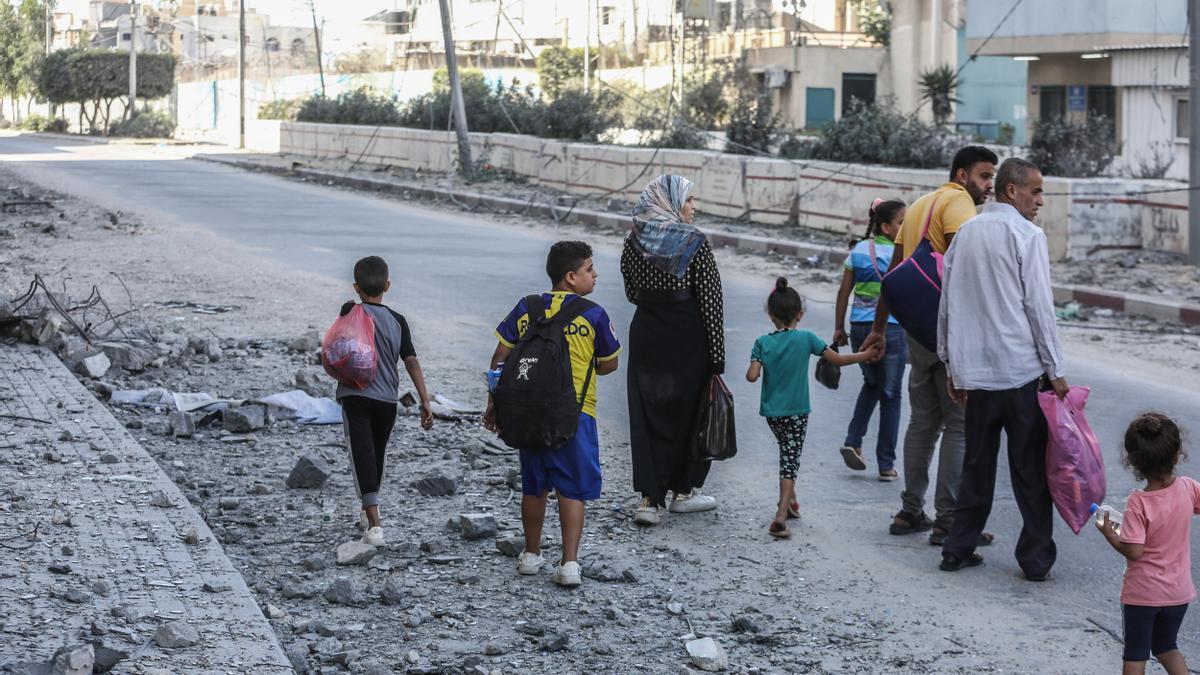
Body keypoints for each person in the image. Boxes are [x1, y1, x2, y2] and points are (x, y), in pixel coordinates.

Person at [936, 157, 1067, 580]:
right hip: (1020, 373)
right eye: (1035, 191)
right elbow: (1039, 307)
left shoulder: (966, 233)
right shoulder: (1027, 235)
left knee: (977, 465)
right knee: (1029, 471)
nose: (1040, 201)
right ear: (1012, 191)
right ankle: (1035, 559)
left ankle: (957, 548)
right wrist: (1055, 369)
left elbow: (947, 303)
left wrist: (952, 365)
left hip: (977, 376)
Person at [864, 146, 998, 546]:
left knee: (922, 422)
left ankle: (909, 511)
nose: (989, 185)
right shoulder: (959, 204)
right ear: (962, 175)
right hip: (950, 330)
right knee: (959, 423)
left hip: (917, 330)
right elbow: (966, 266)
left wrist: (879, 327)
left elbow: (894, 274)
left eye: (992, 177)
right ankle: (949, 519)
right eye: (984, 176)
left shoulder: (921, 204)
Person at [484, 241, 621, 588]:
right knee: (571, 489)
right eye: (590, 269)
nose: (595, 274)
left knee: (534, 487)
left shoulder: (527, 306)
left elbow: (499, 358)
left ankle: (531, 555)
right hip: (575, 413)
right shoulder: (594, 314)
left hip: (526, 411)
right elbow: (610, 364)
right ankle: (569, 563)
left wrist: (494, 403)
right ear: (571, 276)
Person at [621, 174, 725, 527]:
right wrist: (717, 356)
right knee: (689, 414)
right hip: (688, 339)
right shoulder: (694, 242)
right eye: (689, 200)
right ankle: (683, 492)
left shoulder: (633, 240)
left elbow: (631, 292)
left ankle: (649, 500)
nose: (694, 207)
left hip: (647, 336)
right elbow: (711, 301)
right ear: (670, 202)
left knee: (647, 415)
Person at [747, 278, 878, 539]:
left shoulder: (761, 342)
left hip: (772, 413)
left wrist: (759, 365)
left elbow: (751, 376)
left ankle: (791, 502)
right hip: (797, 412)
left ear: (770, 315)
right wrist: (866, 355)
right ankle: (780, 516)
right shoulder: (806, 338)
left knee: (787, 453)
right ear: (800, 314)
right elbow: (837, 359)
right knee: (790, 460)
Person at [336, 256, 434, 548]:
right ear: (388, 286)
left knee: (361, 454)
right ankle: (369, 512)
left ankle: (375, 524)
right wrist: (425, 400)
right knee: (377, 453)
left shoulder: (349, 312)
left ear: (356, 287)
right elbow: (411, 361)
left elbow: (336, 347)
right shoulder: (398, 321)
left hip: (355, 395)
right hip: (386, 399)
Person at [1096, 413, 1198, 675]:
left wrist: (1110, 535)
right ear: (1176, 455)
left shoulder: (1138, 502)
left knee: (1135, 654)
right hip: (1177, 592)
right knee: (1167, 647)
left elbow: (1134, 551)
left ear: (1132, 461)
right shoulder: (1188, 488)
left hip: (1143, 594)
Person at [833, 198, 907, 481]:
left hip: (859, 329)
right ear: (886, 227)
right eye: (901, 223)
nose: (905, 228)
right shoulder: (902, 253)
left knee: (872, 384)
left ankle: (853, 441)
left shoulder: (859, 250)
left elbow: (844, 291)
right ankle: (886, 465)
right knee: (891, 394)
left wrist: (838, 328)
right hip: (890, 329)